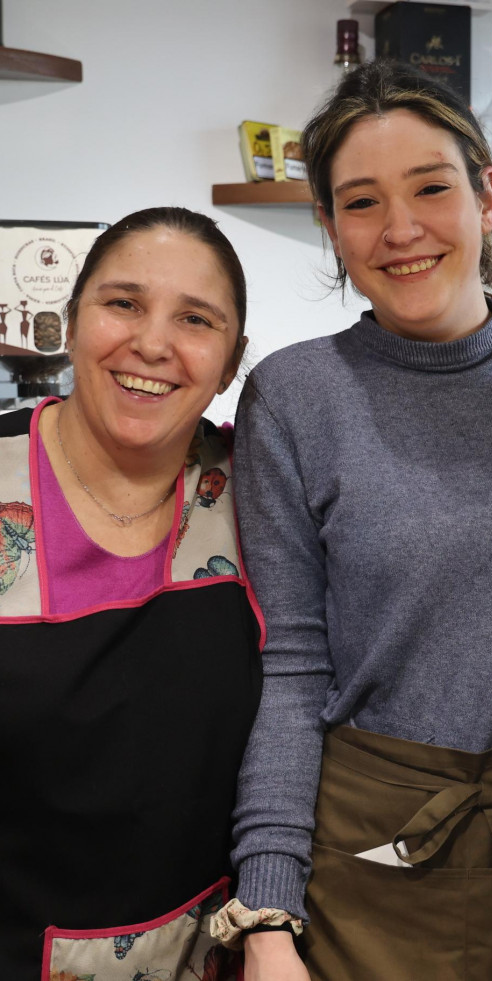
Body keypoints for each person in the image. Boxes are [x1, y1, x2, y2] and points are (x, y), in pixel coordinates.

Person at [223, 61, 492, 981]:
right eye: (360, 203)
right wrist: (267, 914)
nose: (400, 230)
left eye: (431, 188)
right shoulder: (292, 396)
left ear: (487, 194)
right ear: (328, 226)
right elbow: (292, 670)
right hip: (366, 862)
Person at [0, 206, 263, 980]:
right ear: (73, 321)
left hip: (218, 955)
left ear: (232, 359)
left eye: (195, 318)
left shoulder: (262, 490)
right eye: (123, 303)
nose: (152, 342)